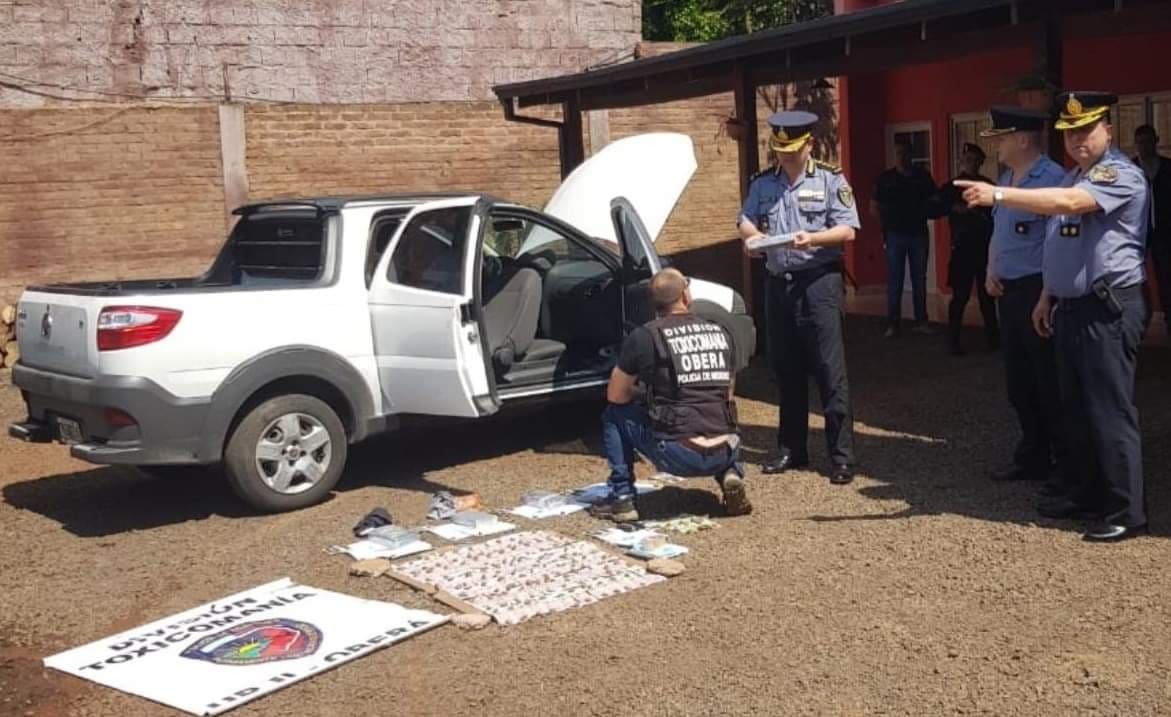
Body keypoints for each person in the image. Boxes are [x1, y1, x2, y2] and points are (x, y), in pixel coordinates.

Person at [958, 91, 1150, 542]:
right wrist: (1048, 295)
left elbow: (1069, 207)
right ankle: (1085, 495)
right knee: (1076, 408)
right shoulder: (1076, 175)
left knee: (1109, 412)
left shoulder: (1120, 175)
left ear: (1108, 129)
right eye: (1070, 132)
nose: (1078, 139)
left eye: (1087, 130)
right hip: (1070, 305)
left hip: (1108, 306)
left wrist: (999, 192)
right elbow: (1061, 243)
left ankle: (1128, 511)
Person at [738, 110, 858, 485]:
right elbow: (745, 218)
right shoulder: (763, 183)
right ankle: (792, 448)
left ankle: (841, 455)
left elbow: (849, 229)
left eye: (791, 149)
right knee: (785, 369)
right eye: (780, 149)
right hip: (779, 283)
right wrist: (750, 237)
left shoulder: (830, 179)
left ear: (808, 143)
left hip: (818, 282)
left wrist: (814, 238)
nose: (785, 156)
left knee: (829, 370)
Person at [589, 268, 752, 523]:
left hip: (678, 453)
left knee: (613, 415)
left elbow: (616, 395)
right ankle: (730, 473)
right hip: (726, 447)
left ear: (653, 304)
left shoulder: (644, 337)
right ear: (686, 297)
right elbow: (726, 394)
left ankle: (622, 499)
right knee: (718, 411)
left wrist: (645, 397)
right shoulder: (721, 333)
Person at [979, 107, 1068, 488]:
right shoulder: (1007, 177)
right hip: (1008, 291)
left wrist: (1047, 294)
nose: (996, 145)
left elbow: (1058, 243)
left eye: (1001, 137)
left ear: (1024, 139)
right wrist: (990, 270)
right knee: (1019, 383)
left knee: (1048, 382)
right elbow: (1000, 232)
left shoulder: (1052, 180)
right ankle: (1032, 455)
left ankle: (1064, 465)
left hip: (1036, 291)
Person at [930, 142, 999, 355]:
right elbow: (932, 208)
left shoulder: (988, 186)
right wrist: (953, 207)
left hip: (984, 248)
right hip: (961, 248)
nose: (971, 164)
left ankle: (993, 341)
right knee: (959, 297)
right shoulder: (952, 187)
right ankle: (954, 341)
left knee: (987, 298)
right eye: (967, 160)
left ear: (980, 163)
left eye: (975, 160)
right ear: (962, 162)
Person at [872, 138, 938, 337]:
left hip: (918, 233)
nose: (901, 157)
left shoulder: (922, 177)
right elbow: (873, 206)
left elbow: (935, 200)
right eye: (898, 153)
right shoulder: (886, 178)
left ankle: (921, 320)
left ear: (911, 155)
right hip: (895, 235)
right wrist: (885, 226)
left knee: (919, 279)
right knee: (895, 280)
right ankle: (893, 323)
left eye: (905, 153)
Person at [1133, 124, 1171, 336]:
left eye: (1148, 141)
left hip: (1165, 232)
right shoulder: (1130, 170)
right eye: (1140, 143)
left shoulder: (1167, 168)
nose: (1144, 147)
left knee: (1166, 276)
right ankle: (1139, 321)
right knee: (1134, 277)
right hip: (1137, 233)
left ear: (1156, 140)